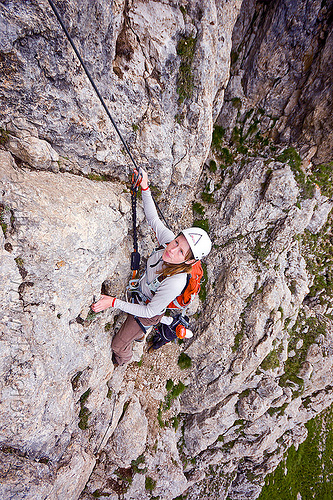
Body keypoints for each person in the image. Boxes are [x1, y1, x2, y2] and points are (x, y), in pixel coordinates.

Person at [91, 169, 212, 366]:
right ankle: (138, 336)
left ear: (189, 262)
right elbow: (153, 220)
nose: (172, 250)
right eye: (176, 242)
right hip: (142, 294)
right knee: (134, 328)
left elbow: (147, 312)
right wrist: (145, 187)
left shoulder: (175, 282)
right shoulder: (168, 243)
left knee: (117, 345)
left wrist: (112, 303)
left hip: (148, 313)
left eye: (181, 252)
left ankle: (123, 360)